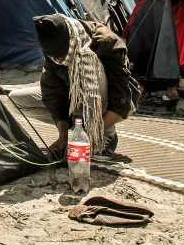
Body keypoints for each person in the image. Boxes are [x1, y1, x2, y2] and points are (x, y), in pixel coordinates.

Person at [34, 13, 141, 159]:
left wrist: (83, 141)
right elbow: (52, 94)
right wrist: (63, 138)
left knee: (89, 64)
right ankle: (80, 128)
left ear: (70, 39)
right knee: (17, 98)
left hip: (113, 104)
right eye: (55, 57)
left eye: (61, 54)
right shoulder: (52, 53)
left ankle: (105, 134)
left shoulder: (107, 42)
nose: (58, 59)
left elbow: (122, 101)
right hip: (75, 104)